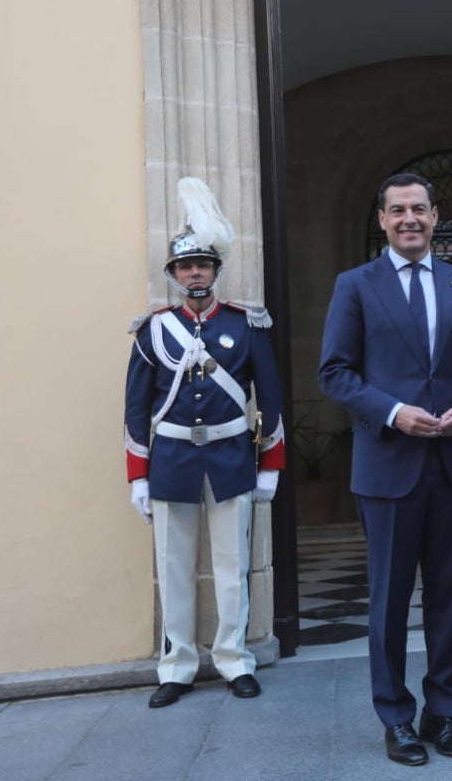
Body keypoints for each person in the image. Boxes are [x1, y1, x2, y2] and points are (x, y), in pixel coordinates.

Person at [318, 173, 452, 767]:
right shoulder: (355, 286)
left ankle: (443, 714)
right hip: (387, 466)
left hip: (449, 464)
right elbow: (335, 372)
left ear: (436, 215)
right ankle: (395, 718)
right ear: (382, 220)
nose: (409, 219)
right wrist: (393, 413)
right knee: (390, 600)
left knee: (449, 596)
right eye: (398, 211)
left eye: (419, 209)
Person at [124, 177, 286, 707]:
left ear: (216, 271)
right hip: (171, 457)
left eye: (203, 265)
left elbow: (271, 398)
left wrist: (270, 466)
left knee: (230, 566)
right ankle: (176, 668)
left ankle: (235, 660)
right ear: (173, 275)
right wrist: (138, 477)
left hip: (230, 455)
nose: (195, 273)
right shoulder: (153, 331)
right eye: (184, 267)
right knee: (172, 568)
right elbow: (135, 410)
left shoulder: (247, 325)